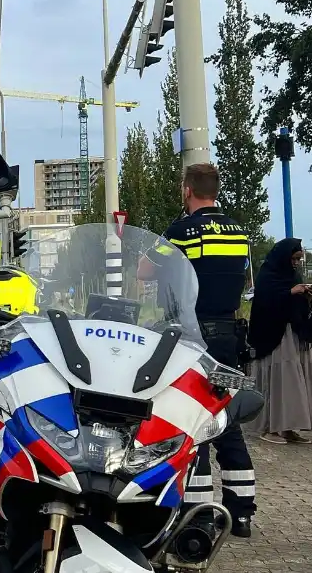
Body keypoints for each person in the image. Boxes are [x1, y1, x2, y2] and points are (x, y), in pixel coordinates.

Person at [137, 163, 255, 538]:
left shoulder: (181, 231)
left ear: (187, 190)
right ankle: (241, 512)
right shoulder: (239, 231)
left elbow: (144, 270)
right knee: (227, 417)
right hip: (227, 334)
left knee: (191, 416)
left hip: (192, 334)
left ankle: (198, 514)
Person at [246, 238, 312, 444]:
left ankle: (289, 426)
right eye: (293, 258)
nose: (295, 263)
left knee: (295, 379)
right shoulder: (268, 275)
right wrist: (291, 292)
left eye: (299, 259)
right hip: (274, 337)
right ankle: (270, 427)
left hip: (293, 333)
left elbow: (296, 303)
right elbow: (265, 302)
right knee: (279, 379)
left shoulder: (293, 275)